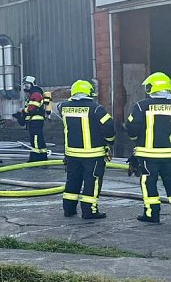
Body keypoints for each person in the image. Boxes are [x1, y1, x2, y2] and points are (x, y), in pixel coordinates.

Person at [58, 80, 116, 219]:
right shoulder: (96, 108)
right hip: (93, 155)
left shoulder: (64, 107)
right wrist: (109, 142)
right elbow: (109, 126)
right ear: (90, 93)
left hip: (71, 154)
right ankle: (89, 211)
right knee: (92, 181)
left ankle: (69, 209)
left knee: (72, 180)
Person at [126, 72, 171, 224]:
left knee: (148, 183)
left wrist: (135, 140)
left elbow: (131, 126)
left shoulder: (141, 105)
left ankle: (152, 214)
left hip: (148, 155)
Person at [18, 75, 49, 162]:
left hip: (35, 121)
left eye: (27, 85)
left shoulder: (35, 94)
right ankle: (43, 155)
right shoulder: (34, 94)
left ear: (32, 84)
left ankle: (36, 157)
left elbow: (31, 109)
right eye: (24, 85)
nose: (25, 87)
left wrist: (22, 110)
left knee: (35, 138)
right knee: (39, 138)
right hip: (35, 120)